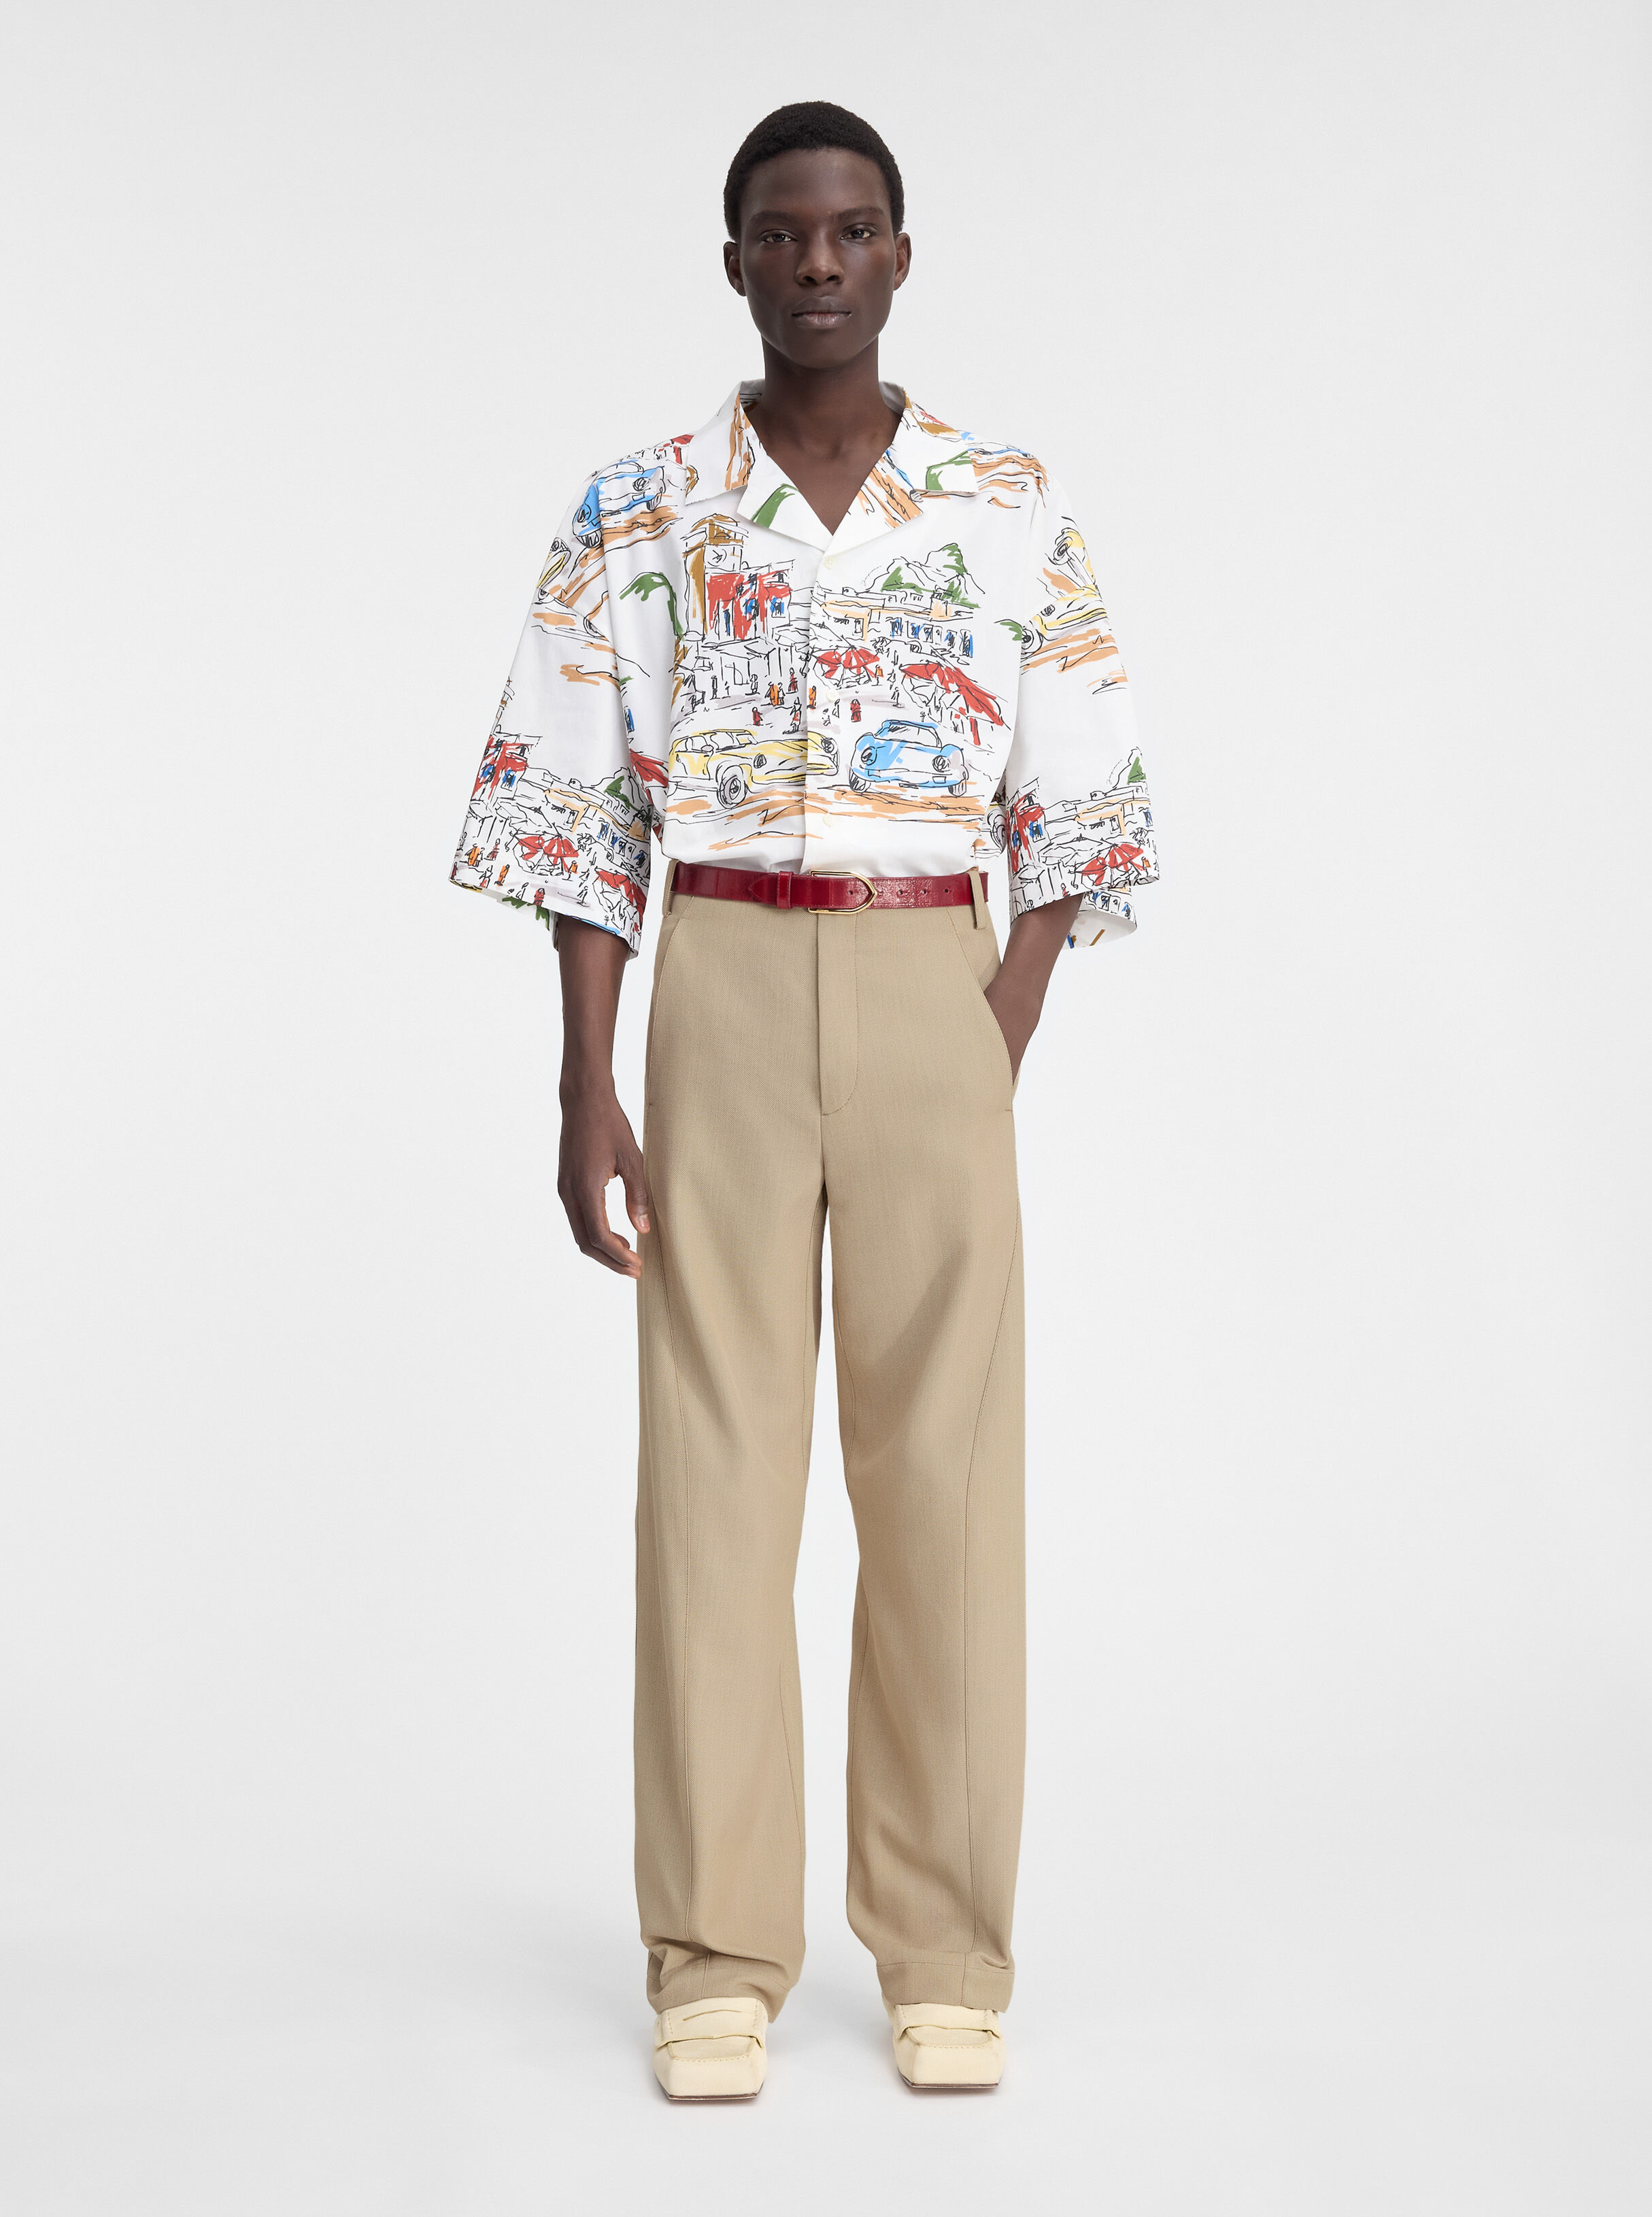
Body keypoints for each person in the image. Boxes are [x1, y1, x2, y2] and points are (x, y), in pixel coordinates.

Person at [449, 101, 1158, 2099]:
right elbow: (578, 811)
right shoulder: (640, 509)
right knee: (715, 1472)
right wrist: (588, 1083)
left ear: (902, 255)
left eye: (853, 230)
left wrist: (995, 1020)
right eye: (783, 232)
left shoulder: (1005, 502)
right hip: (726, 980)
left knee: (949, 1478)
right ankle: (714, 1953)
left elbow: (1080, 793)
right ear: (735, 261)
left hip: (937, 966)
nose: (820, 262)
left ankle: (945, 1946)